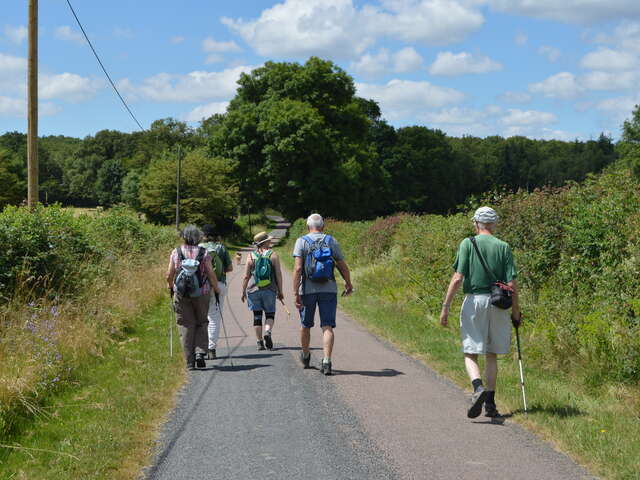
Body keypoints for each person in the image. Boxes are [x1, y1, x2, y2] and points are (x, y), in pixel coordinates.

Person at [439, 207, 521, 418]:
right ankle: (491, 405)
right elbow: (512, 284)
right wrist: (516, 313)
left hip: (475, 301)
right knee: (492, 353)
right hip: (498, 303)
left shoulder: (468, 243)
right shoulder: (503, 246)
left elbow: (458, 278)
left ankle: (478, 388)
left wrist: (445, 307)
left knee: (470, 351)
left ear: (476, 223)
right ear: (494, 224)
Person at [292, 213, 353, 375]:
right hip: (329, 289)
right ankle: (326, 361)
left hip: (307, 290)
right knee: (327, 326)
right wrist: (348, 283)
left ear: (307, 226)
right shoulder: (331, 240)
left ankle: (305, 355)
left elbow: (298, 268)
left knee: (306, 325)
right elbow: (342, 265)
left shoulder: (301, 241)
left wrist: (295, 292)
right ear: (323, 226)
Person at [166, 225, 220, 370]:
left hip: (182, 294)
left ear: (184, 237)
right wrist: (216, 289)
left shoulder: (176, 252)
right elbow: (210, 273)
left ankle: (189, 361)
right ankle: (200, 353)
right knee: (202, 322)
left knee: (185, 325)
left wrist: (171, 287)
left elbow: (169, 274)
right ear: (198, 237)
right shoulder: (204, 252)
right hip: (201, 293)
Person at [241, 232, 284, 350]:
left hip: (253, 290)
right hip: (269, 290)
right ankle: (267, 332)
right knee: (270, 314)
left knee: (257, 316)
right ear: (265, 242)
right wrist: (280, 291)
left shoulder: (250, 256)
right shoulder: (273, 255)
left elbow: (246, 276)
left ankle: (259, 342)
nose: (270, 242)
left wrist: (243, 291)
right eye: (269, 240)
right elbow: (278, 275)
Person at [199, 224, 233, 360]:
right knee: (214, 317)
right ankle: (211, 349)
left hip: (202, 285)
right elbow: (229, 268)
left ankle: (200, 348)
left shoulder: (199, 248)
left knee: (201, 317)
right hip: (219, 284)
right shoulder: (221, 247)